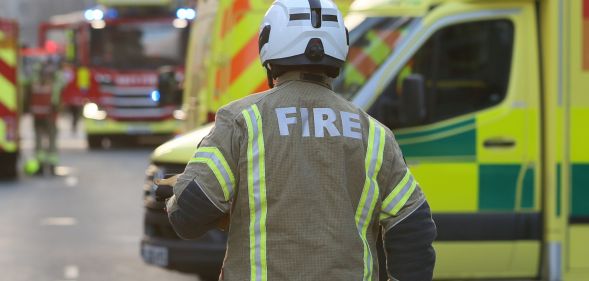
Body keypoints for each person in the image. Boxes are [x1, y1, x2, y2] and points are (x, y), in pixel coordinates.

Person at [158, 1, 436, 280]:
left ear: (269, 46)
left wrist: (179, 192)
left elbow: (188, 218)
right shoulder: (373, 133)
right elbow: (412, 225)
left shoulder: (242, 121)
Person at [28, 56, 63, 175]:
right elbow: (62, 85)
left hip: (40, 114)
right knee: (50, 139)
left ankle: (42, 165)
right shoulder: (55, 80)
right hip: (49, 114)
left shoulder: (35, 79)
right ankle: (50, 165)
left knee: (40, 139)